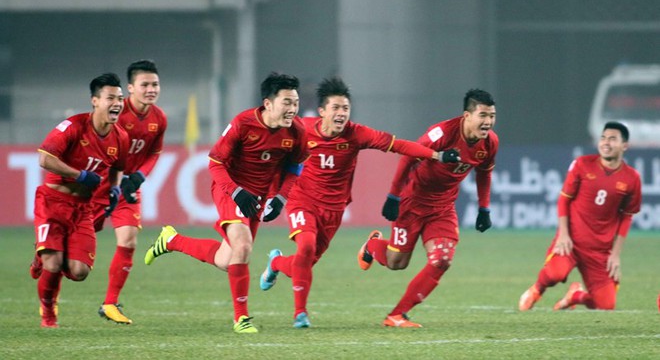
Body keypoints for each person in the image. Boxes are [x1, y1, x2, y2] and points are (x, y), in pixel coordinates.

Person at [259, 76, 450, 328]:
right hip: (302, 200)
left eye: (346, 109)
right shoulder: (300, 129)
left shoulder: (357, 134)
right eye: (336, 108)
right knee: (305, 247)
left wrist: (435, 154)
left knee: (302, 265)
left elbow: (398, 145)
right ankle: (300, 314)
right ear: (322, 111)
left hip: (333, 210)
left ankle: (275, 262)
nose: (341, 113)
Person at [143, 72, 309, 334]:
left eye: (295, 102)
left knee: (227, 259)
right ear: (268, 103)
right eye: (286, 102)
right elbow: (215, 162)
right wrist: (236, 192)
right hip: (230, 188)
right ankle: (241, 318)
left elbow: (295, 167)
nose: (292, 109)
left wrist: (280, 197)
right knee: (243, 246)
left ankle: (171, 240)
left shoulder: (297, 131)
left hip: (259, 196)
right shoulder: (243, 124)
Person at [357, 89, 498, 328]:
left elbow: (485, 173)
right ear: (467, 115)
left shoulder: (490, 143)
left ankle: (396, 315)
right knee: (396, 263)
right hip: (412, 201)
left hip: (442, 207)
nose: (488, 122)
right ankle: (372, 245)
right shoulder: (442, 133)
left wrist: (484, 209)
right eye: (483, 115)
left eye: (492, 116)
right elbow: (408, 157)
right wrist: (393, 196)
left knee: (442, 260)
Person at [29, 73, 129, 328]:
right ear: (95, 101)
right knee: (52, 264)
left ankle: (48, 253)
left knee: (79, 271)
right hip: (52, 202)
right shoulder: (72, 126)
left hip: (82, 209)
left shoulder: (121, 138)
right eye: (110, 98)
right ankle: (49, 314)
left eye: (120, 98)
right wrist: (80, 175)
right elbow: (44, 158)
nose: (117, 103)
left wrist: (115, 190)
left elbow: (117, 168)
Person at [518, 121, 641, 311]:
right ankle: (536, 290)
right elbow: (563, 200)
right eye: (603, 138)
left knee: (606, 307)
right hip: (572, 241)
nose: (606, 142)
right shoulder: (582, 164)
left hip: (600, 251)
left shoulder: (632, 178)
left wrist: (615, 255)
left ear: (625, 145)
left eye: (612, 139)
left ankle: (576, 296)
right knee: (555, 274)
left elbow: (627, 217)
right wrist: (564, 235)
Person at [92, 60, 167, 324]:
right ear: (131, 87)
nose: (151, 89)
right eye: (145, 84)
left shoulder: (159, 118)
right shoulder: (115, 113)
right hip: (99, 186)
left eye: (155, 84)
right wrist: (116, 178)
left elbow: (154, 152)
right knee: (72, 249)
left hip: (128, 189)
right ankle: (44, 261)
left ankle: (110, 303)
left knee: (129, 241)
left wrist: (140, 176)